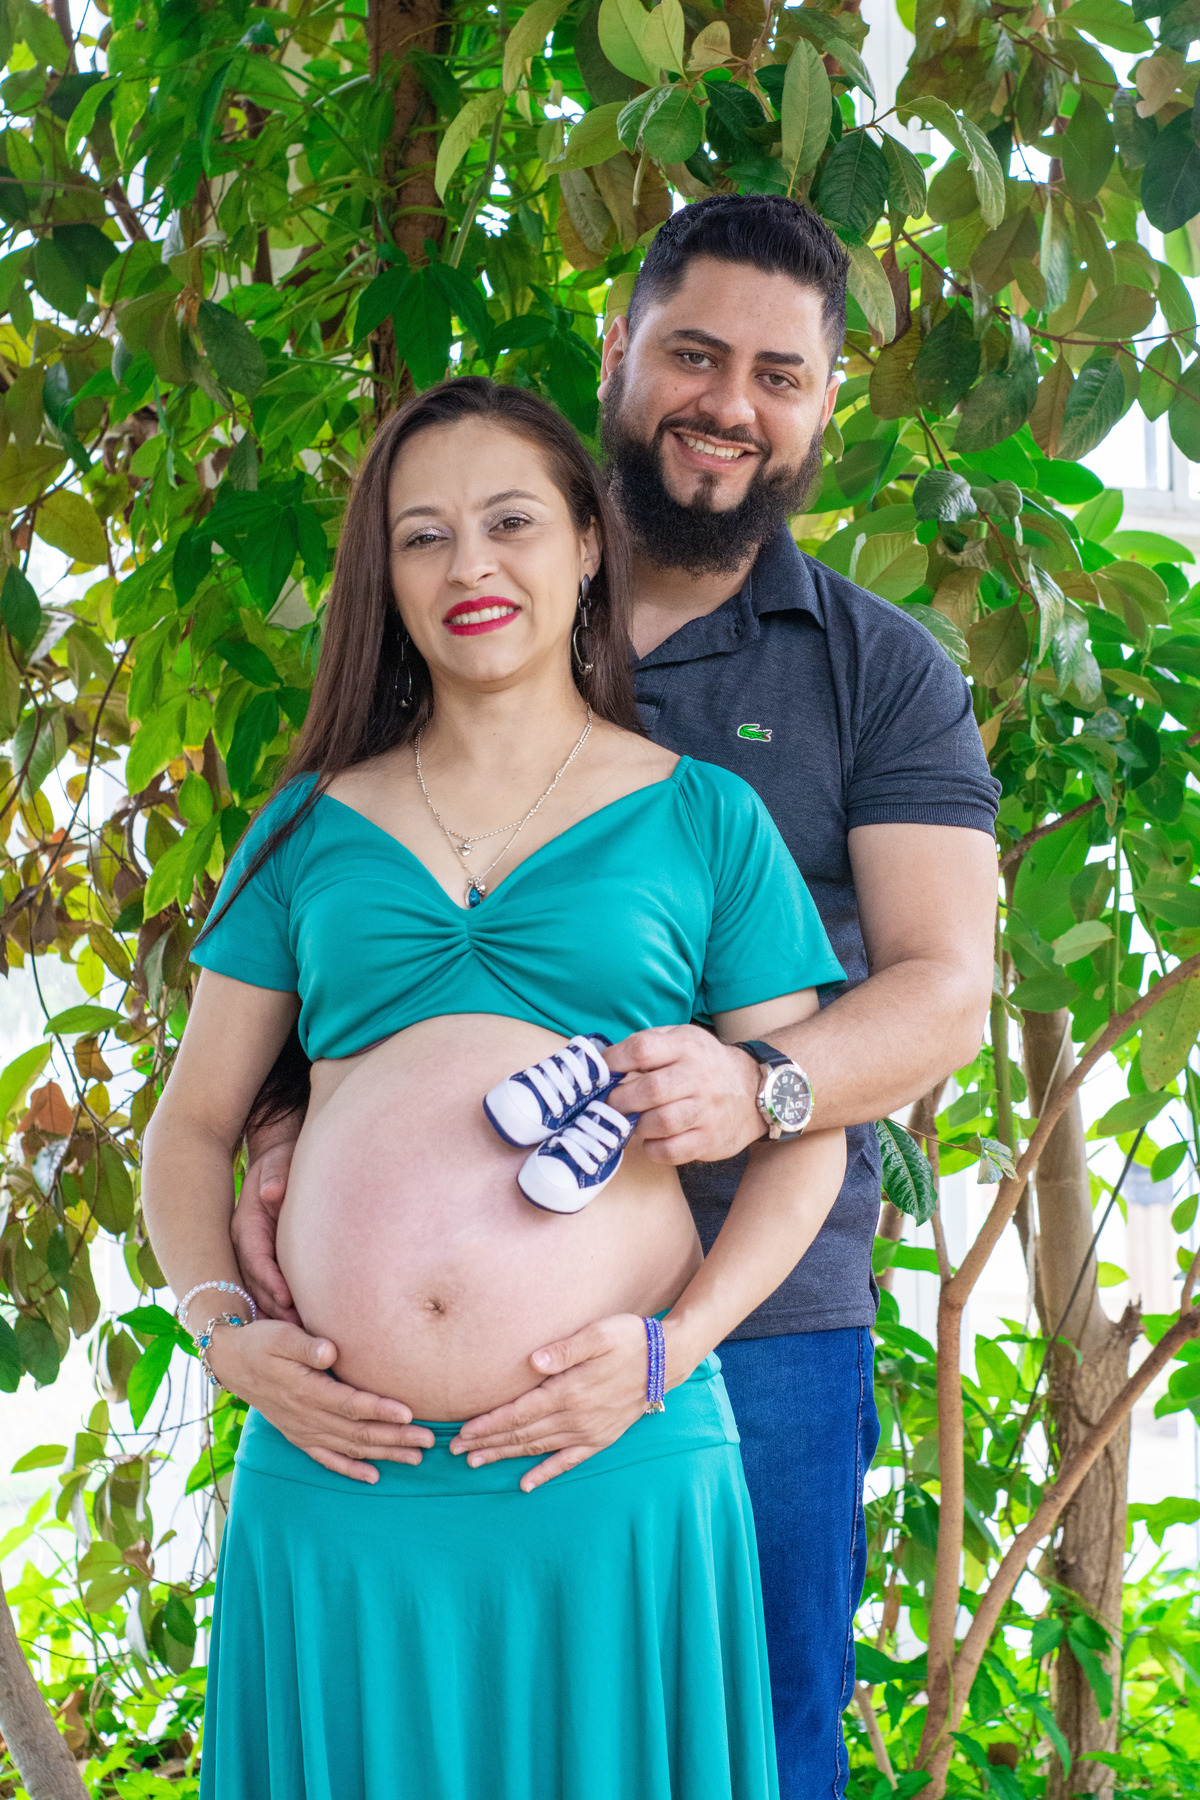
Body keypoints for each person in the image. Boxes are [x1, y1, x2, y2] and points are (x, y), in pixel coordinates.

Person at [231, 197, 1001, 1796]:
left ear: (826, 403)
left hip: (752, 1329)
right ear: (621, 352)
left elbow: (943, 995)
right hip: (383, 1419)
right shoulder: (456, 626)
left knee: (747, 1745)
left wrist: (765, 1089)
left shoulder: (877, 670)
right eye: (697, 354)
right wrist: (300, 1121)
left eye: (780, 375)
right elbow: (352, 960)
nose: (732, 404)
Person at [142, 375, 851, 1799]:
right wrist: (219, 1333)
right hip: (341, 1473)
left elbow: (805, 1137)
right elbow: (192, 1128)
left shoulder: (706, 816)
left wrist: (671, 1353)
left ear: (587, 543)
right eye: (424, 536)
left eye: (509, 522)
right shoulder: (304, 826)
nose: (469, 564)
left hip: (610, 1459)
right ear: (386, 578)